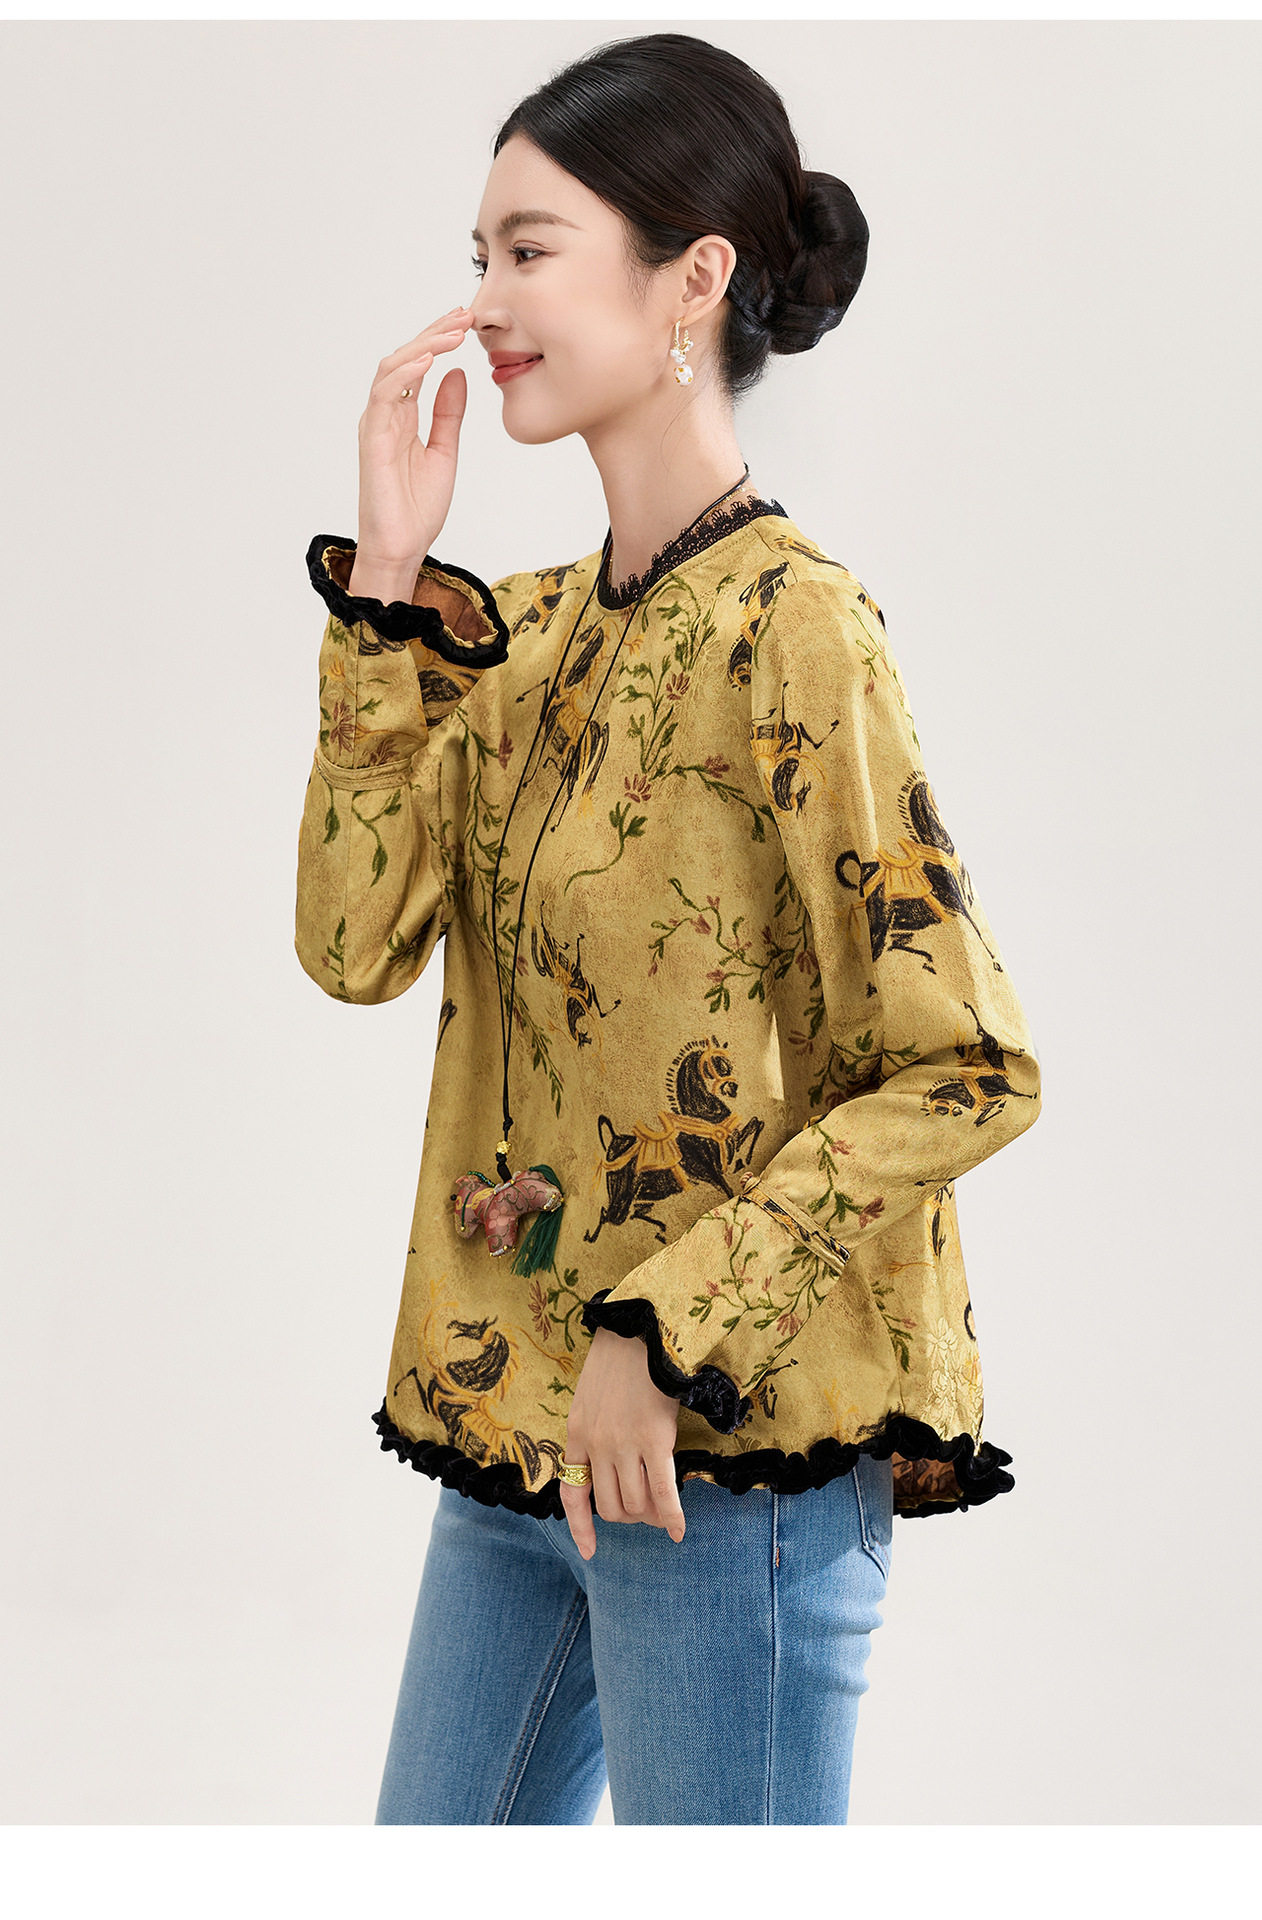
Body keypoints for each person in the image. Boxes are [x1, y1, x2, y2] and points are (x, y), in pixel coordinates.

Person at [294, 31, 1042, 1825]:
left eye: (530, 250)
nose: (486, 303)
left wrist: (659, 1328)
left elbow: (963, 1065)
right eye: (479, 253)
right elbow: (350, 944)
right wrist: (387, 583)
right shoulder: (522, 635)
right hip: (516, 1443)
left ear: (691, 277)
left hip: (729, 1463)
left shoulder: (797, 628)